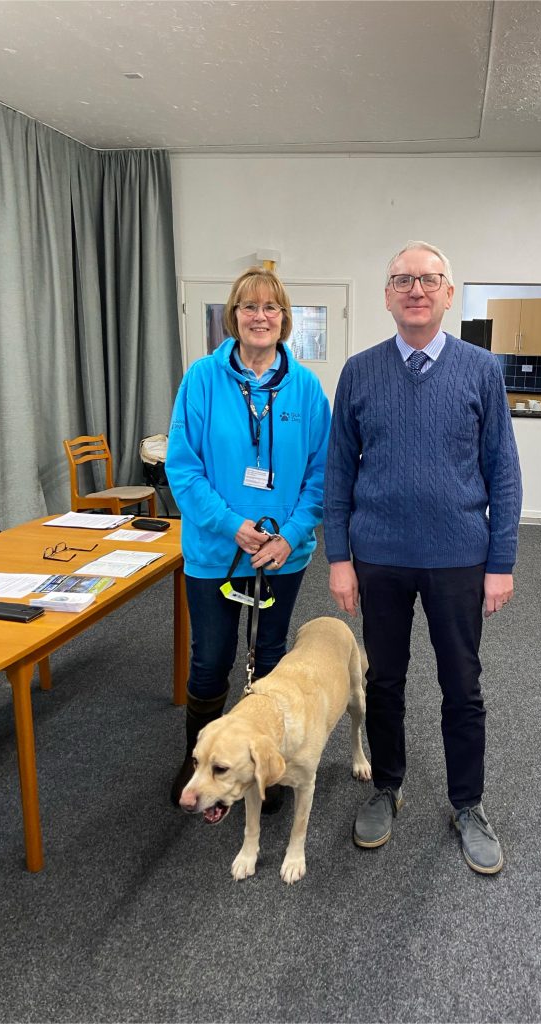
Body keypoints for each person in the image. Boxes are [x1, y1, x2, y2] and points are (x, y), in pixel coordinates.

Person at [324, 241, 522, 874]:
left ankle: (468, 804)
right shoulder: (358, 372)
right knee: (383, 680)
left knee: (462, 686)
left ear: (447, 294)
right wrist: (338, 556)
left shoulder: (481, 370)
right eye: (403, 279)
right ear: (387, 295)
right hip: (378, 557)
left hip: (459, 559)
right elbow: (336, 474)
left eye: (429, 279)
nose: (416, 289)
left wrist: (501, 561)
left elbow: (505, 474)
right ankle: (387, 785)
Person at [166, 267, 331, 807]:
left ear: (284, 319)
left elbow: (322, 474)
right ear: (233, 316)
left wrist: (291, 533)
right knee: (211, 658)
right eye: (249, 307)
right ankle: (201, 763)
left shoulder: (306, 389)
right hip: (216, 552)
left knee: (271, 655)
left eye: (271, 308)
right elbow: (183, 469)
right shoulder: (201, 379)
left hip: (282, 554)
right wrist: (232, 526)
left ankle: (265, 762)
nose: (260, 317)